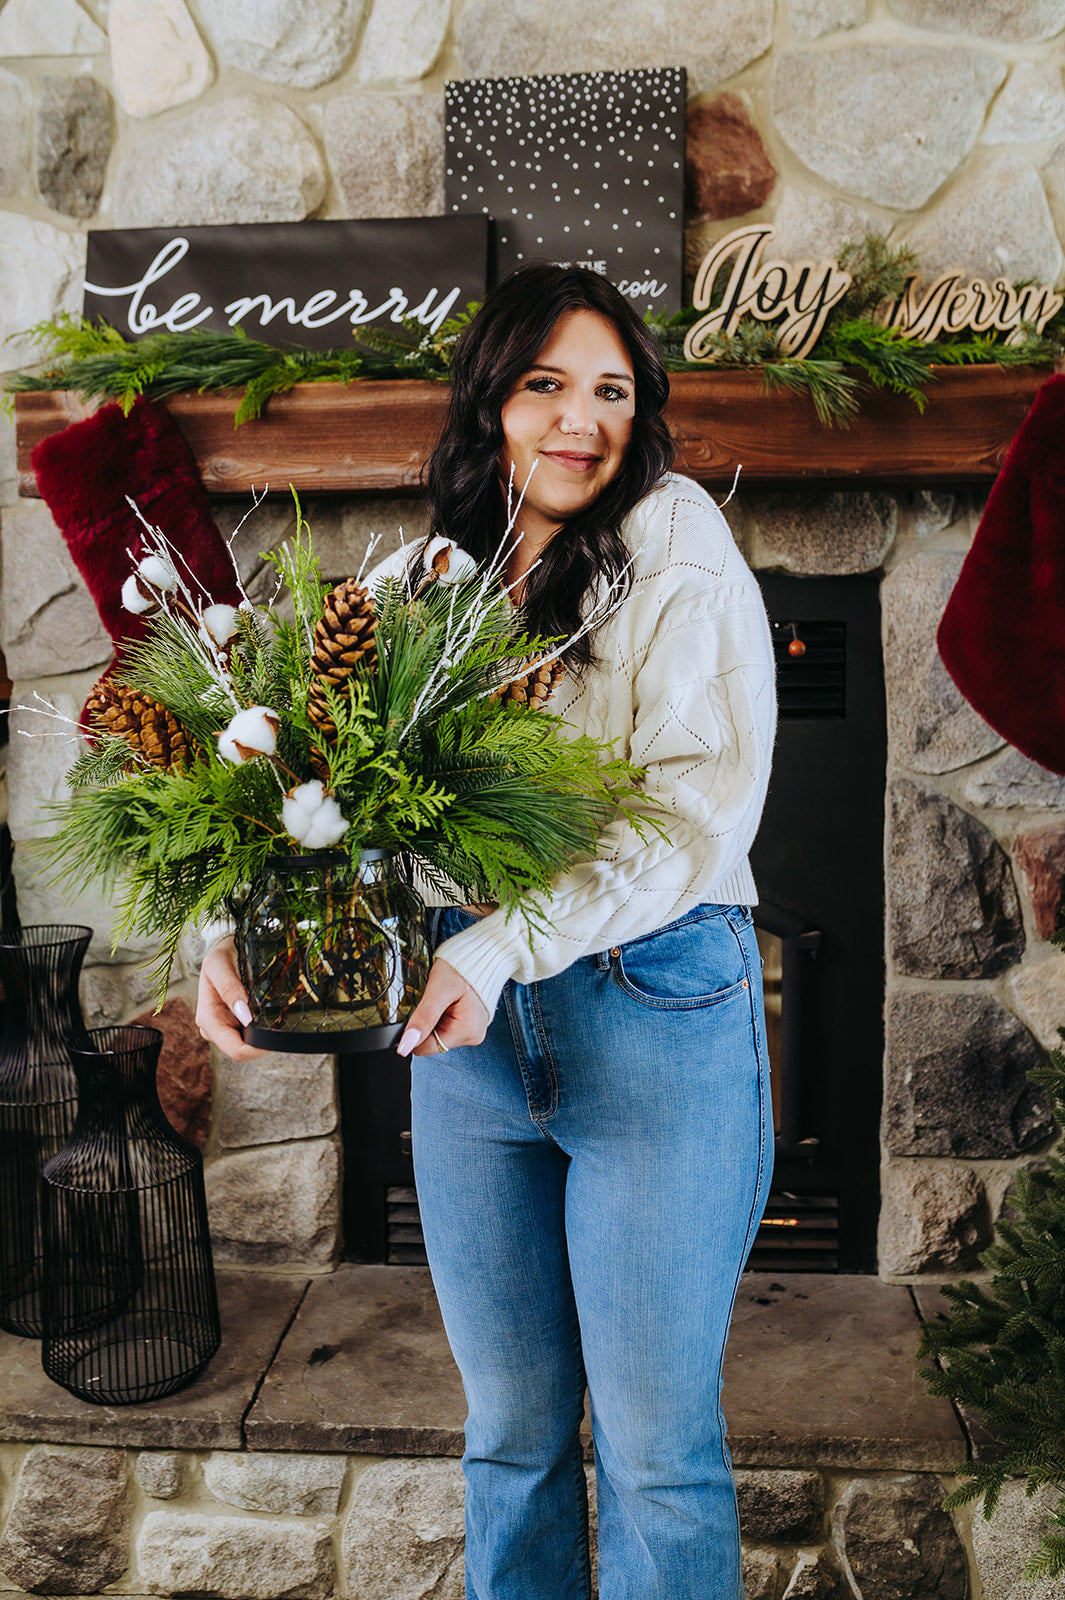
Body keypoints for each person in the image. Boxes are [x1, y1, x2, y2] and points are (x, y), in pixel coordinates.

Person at [197, 264, 777, 1600]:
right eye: (545, 385)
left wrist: (495, 945)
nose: (581, 420)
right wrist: (239, 931)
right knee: (509, 1438)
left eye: (612, 390)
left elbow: (689, 815)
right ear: (490, 404)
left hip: (652, 1014)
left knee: (651, 1449)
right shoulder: (424, 580)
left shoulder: (675, 543)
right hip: (465, 1041)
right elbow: (323, 799)